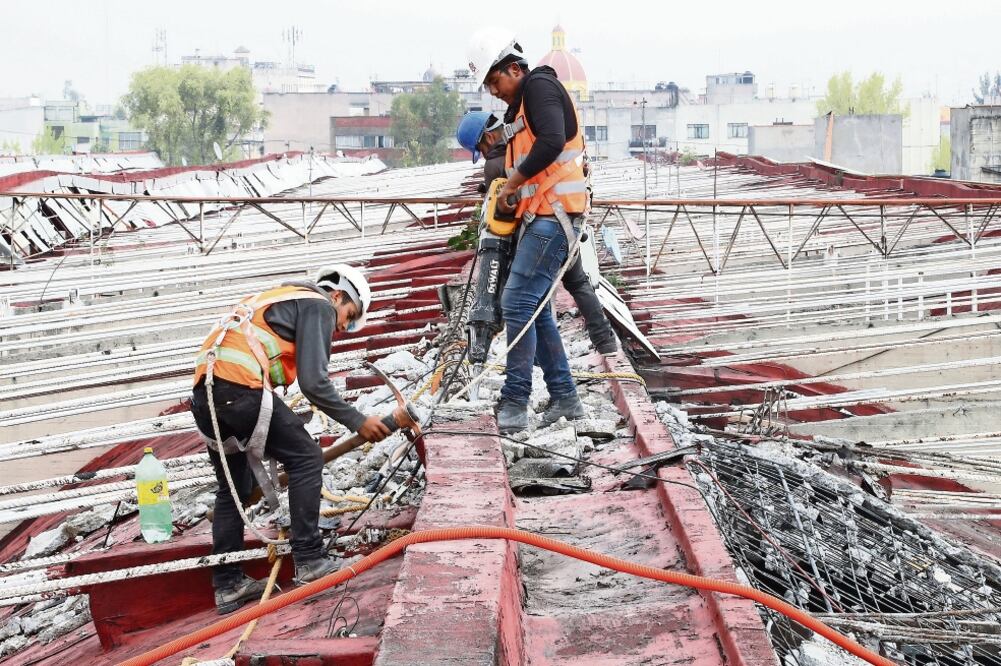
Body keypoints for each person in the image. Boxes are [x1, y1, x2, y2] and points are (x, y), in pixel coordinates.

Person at [189, 264, 390, 614]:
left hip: (205, 396)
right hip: (239, 388)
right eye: (349, 315)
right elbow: (314, 382)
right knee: (307, 457)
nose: (342, 326)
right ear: (338, 295)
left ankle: (228, 585)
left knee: (233, 490)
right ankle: (311, 561)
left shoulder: (274, 300)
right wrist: (358, 421)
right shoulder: (318, 304)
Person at [466, 28, 590, 434]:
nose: (493, 91)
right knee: (535, 311)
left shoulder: (539, 86)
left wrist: (514, 184)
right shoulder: (519, 111)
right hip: (545, 216)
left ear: (513, 68)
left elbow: (552, 142)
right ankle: (566, 398)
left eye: (494, 81)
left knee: (517, 301)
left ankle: (516, 401)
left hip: (556, 216)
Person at [456, 110, 618, 356]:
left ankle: (540, 360)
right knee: (578, 283)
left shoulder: (494, 163)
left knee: (527, 300)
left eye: (481, 149)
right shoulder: (524, 143)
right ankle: (605, 342)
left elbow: (502, 220)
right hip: (565, 222)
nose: (483, 156)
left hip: (537, 236)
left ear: (487, 139)